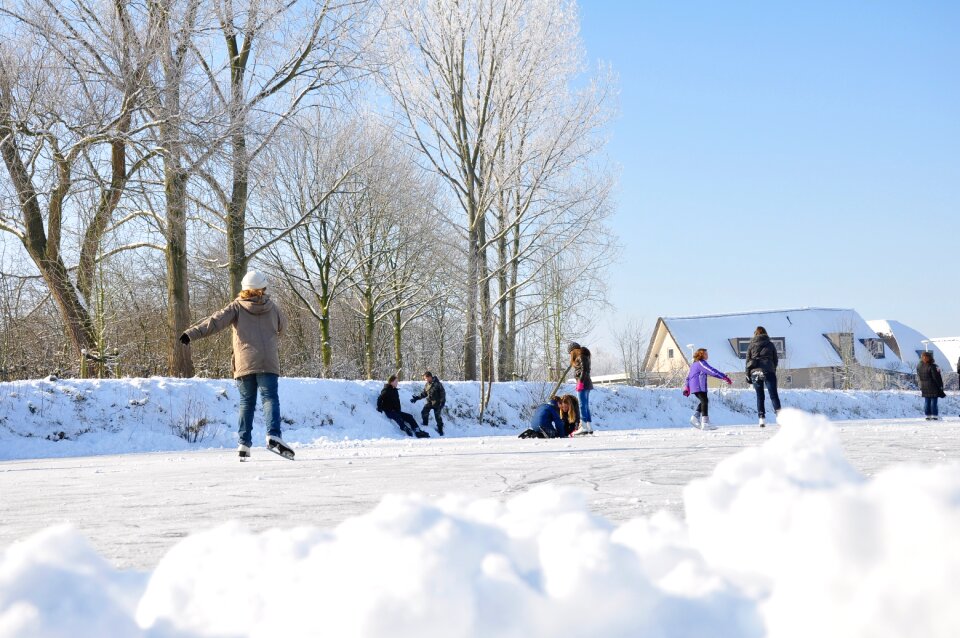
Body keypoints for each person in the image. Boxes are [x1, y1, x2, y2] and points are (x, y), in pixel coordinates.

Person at [179, 270, 293, 460]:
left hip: (245, 361)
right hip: (268, 361)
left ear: (244, 288)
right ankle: (273, 435)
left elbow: (214, 322)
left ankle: (243, 444)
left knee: (246, 403)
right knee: (269, 398)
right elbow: (283, 328)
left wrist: (191, 333)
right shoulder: (273, 307)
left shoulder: (237, 307)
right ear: (263, 288)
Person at [683, 348, 732, 430]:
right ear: (701, 355)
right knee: (704, 401)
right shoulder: (701, 363)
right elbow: (711, 371)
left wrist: (687, 387)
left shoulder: (694, 364)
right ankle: (705, 423)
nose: (707, 355)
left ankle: (695, 417)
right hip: (698, 386)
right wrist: (724, 377)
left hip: (700, 386)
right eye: (706, 354)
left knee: (704, 401)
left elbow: (688, 377)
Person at [745, 326, 781, 427]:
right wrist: (772, 369)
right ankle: (779, 418)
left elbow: (747, 361)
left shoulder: (751, 346)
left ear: (755, 334)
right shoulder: (770, 344)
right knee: (773, 395)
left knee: (760, 396)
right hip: (768, 371)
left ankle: (761, 419)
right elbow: (775, 360)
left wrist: (747, 375)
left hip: (755, 373)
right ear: (765, 333)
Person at [568, 342, 594, 436]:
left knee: (582, 405)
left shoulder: (581, 357)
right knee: (585, 405)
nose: (570, 355)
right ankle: (588, 426)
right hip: (586, 383)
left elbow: (584, 370)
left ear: (573, 351)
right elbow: (585, 370)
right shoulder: (584, 356)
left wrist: (581, 383)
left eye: (570, 353)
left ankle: (583, 426)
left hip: (583, 384)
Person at [411, 370, 446, 435]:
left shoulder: (438, 384)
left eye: (426, 378)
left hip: (437, 403)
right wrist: (416, 398)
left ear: (429, 377)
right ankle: (425, 424)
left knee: (437, 417)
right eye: (425, 378)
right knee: (424, 412)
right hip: (429, 402)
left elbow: (443, 394)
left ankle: (440, 429)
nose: (425, 380)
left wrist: (442, 403)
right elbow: (424, 393)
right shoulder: (427, 384)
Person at [917, 351, 945, 421]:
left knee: (927, 401)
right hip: (933, 385)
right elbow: (936, 377)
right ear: (930, 358)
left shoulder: (920, 366)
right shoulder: (933, 366)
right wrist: (940, 386)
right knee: (934, 401)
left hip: (924, 386)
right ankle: (935, 415)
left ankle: (928, 415)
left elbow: (919, 375)